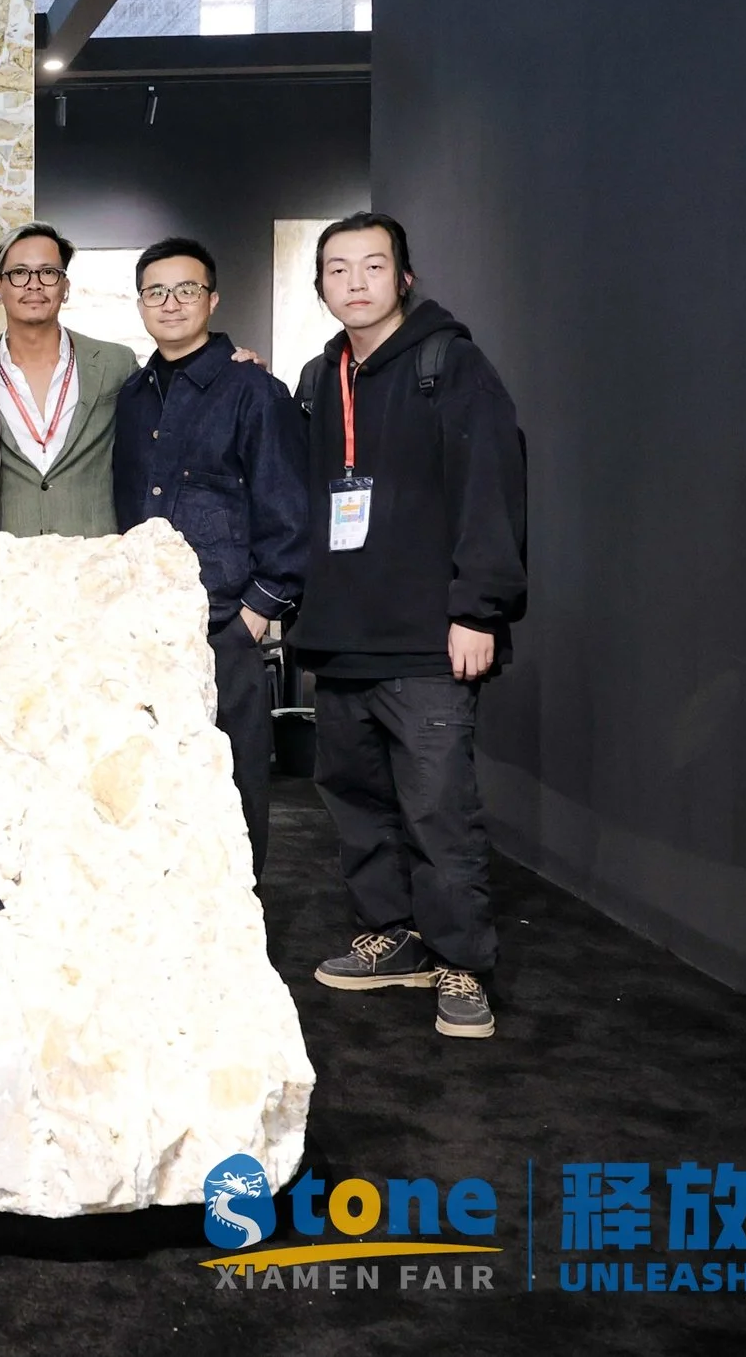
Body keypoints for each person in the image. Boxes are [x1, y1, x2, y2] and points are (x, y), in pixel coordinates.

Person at [287, 212, 526, 1041]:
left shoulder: (447, 365)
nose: (355, 282)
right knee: (358, 803)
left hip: (428, 640)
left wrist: (477, 609)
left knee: (438, 811)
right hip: (342, 636)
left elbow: (490, 488)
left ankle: (463, 962)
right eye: (338, 269)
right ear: (320, 286)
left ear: (404, 277)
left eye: (372, 266)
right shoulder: (321, 379)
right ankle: (392, 938)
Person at [112, 237, 308, 880]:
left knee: (236, 790)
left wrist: (253, 618)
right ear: (139, 303)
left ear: (213, 299)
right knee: (160, 789)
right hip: (149, 631)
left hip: (226, 625)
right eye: (155, 291)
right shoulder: (134, 395)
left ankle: (243, 943)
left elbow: (288, 512)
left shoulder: (253, 389)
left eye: (186, 289)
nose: (170, 303)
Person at [0, 222, 137, 538]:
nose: (34, 285)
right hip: (4, 567)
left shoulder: (116, 363)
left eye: (48, 273)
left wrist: (232, 366)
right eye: (19, 273)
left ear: (65, 287)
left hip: (95, 561)